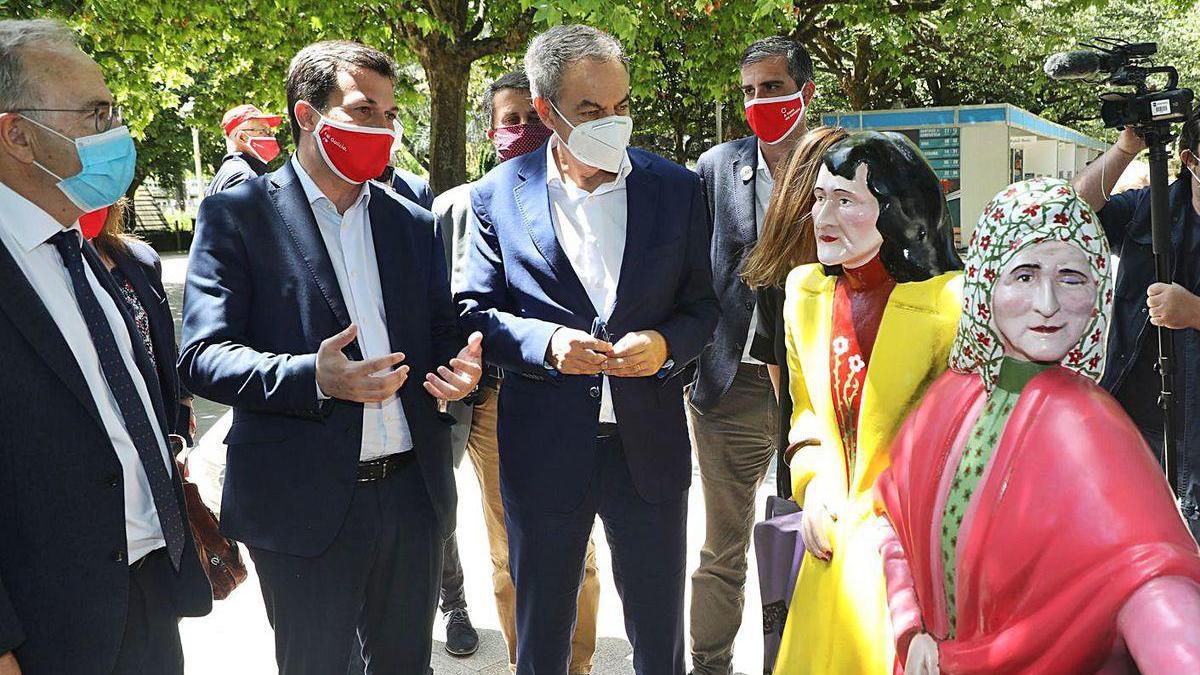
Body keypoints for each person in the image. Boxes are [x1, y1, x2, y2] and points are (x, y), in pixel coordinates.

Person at [179, 40, 482, 674]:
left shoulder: (411, 222)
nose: (384, 129)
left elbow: (441, 328)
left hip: (410, 497)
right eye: (364, 110)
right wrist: (311, 377)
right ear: (307, 115)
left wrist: (460, 368)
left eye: (390, 115)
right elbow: (202, 355)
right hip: (300, 505)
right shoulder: (238, 215)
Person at [458, 24, 719, 674]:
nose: (615, 122)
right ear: (546, 112)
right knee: (543, 635)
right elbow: (473, 311)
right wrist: (546, 343)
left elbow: (704, 306)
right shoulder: (497, 197)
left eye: (623, 105)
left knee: (660, 639)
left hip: (648, 449)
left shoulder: (676, 189)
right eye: (592, 111)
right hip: (543, 450)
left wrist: (665, 344)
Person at [877, 178, 1200, 674]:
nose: (1047, 302)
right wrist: (910, 628)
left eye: (1072, 277)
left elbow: (1148, 575)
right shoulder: (951, 397)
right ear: (987, 281)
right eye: (1024, 275)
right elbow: (890, 516)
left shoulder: (1088, 424)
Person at [0, 18, 211, 675]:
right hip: (47, 631)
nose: (117, 132)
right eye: (96, 113)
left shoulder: (83, 249)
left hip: (147, 595)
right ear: (17, 134)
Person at [773, 131, 963, 675]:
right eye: (819, 198)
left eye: (846, 200)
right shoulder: (804, 292)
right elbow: (805, 412)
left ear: (898, 211)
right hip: (830, 543)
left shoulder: (949, 304)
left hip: (908, 552)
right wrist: (811, 487)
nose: (823, 215)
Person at [433, 70, 601, 672]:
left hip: (570, 397)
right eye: (512, 122)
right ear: (491, 130)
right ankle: (524, 661)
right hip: (492, 406)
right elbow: (444, 309)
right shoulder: (457, 207)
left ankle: (576, 664)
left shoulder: (585, 200)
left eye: (534, 119)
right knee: (508, 555)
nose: (524, 131)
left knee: (577, 552)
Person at [687, 37, 817, 674]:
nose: (760, 101)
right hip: (731, 382)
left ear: (806, 92)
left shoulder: (840, 163)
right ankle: (710, 660)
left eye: (772, 87)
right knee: (724, 545)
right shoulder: (719, 166)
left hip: (817, 384)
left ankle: (794, 658)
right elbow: (695, 265)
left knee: (817, 534)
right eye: (749, 91)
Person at [1072, 121, 1200, 539]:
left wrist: (1195, 312)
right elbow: (1075, 209)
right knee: (1129, 535)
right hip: (1134, 411)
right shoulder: (1152, 205)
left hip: (1194, 427)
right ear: (1190, 160)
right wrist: (1126, 148)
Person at [742, 126, 847, 501]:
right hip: (826, 468)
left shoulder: (776, 276)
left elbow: (782, 383)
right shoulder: (796, 281)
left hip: (803, 460)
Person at [89, 199, 193, 443]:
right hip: (97, 434)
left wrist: (183, 401)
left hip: (156, 422)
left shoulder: (140, 259)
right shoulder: (42, 264)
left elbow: (164, 343)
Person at [205, 103, 283, 196]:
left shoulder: (228, 172)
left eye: (270, 131)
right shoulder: (244, 178)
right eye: (263, 131)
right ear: (242, 137)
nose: (271, 136)